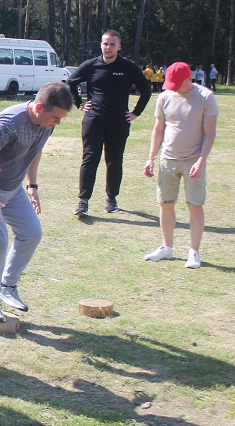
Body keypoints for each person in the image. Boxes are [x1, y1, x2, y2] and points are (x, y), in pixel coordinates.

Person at [0, 83, 73, 322]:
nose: (58, 123)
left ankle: (8, 286)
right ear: (39, 107)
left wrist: (32, 186)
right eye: (55, 117)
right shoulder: (12, 121)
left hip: (12, 190)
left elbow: (36, 151)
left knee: (32, 233)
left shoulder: (46, 124)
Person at [66, 30, 151, 217]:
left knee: (114, 161)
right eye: (105, 43)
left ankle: (111, 198)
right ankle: (83, 201)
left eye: (112, 44)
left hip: (118, 122)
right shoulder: (91, 65)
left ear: (119, 46)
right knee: (90, 159)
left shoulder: (128, 67)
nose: (108, 47)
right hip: (94, 120)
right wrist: (79, 103)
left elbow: (146, 89)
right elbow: (70, 82)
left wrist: (136, 113)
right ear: (101, 45)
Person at [142, 62, 218, 269]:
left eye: (177, 84)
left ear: (189, 79)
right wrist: (151, 158)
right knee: (165, 203)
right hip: (168, 159)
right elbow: (158, 129)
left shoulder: (206, 97)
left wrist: (201, 161)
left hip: (193, 160)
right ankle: (167, 247)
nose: (173, 88)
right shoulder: (165, 97)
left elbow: (210, 132)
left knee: (195, 205)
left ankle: (194, 252)